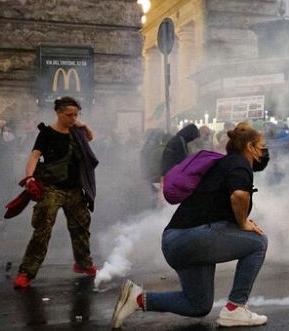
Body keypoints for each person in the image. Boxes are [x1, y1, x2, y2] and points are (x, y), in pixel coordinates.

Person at [111, 122, 270, 328]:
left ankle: (137, 299)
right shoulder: (240, 164)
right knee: (258, 242)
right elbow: (239, 194)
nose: (264, 151)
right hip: (193, 237)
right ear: (250, 146)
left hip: (177, 241)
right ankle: (235, 308)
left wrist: (240, 223)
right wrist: (243, 223)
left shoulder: (223, 165)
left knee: (198, 305)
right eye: (262, 146)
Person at [12, 96, 98, 289]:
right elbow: (34, 156)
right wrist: (29, 178)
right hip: (52, 188)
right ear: (58, 113)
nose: (73, 118)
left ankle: (84, 264)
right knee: (42, 231)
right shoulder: (47, 133)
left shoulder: (77, 132)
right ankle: (26, 272)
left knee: (81, 228)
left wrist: (84, 125)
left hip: (75, 189)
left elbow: (90, 138)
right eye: (69, 115)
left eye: (76, 114)